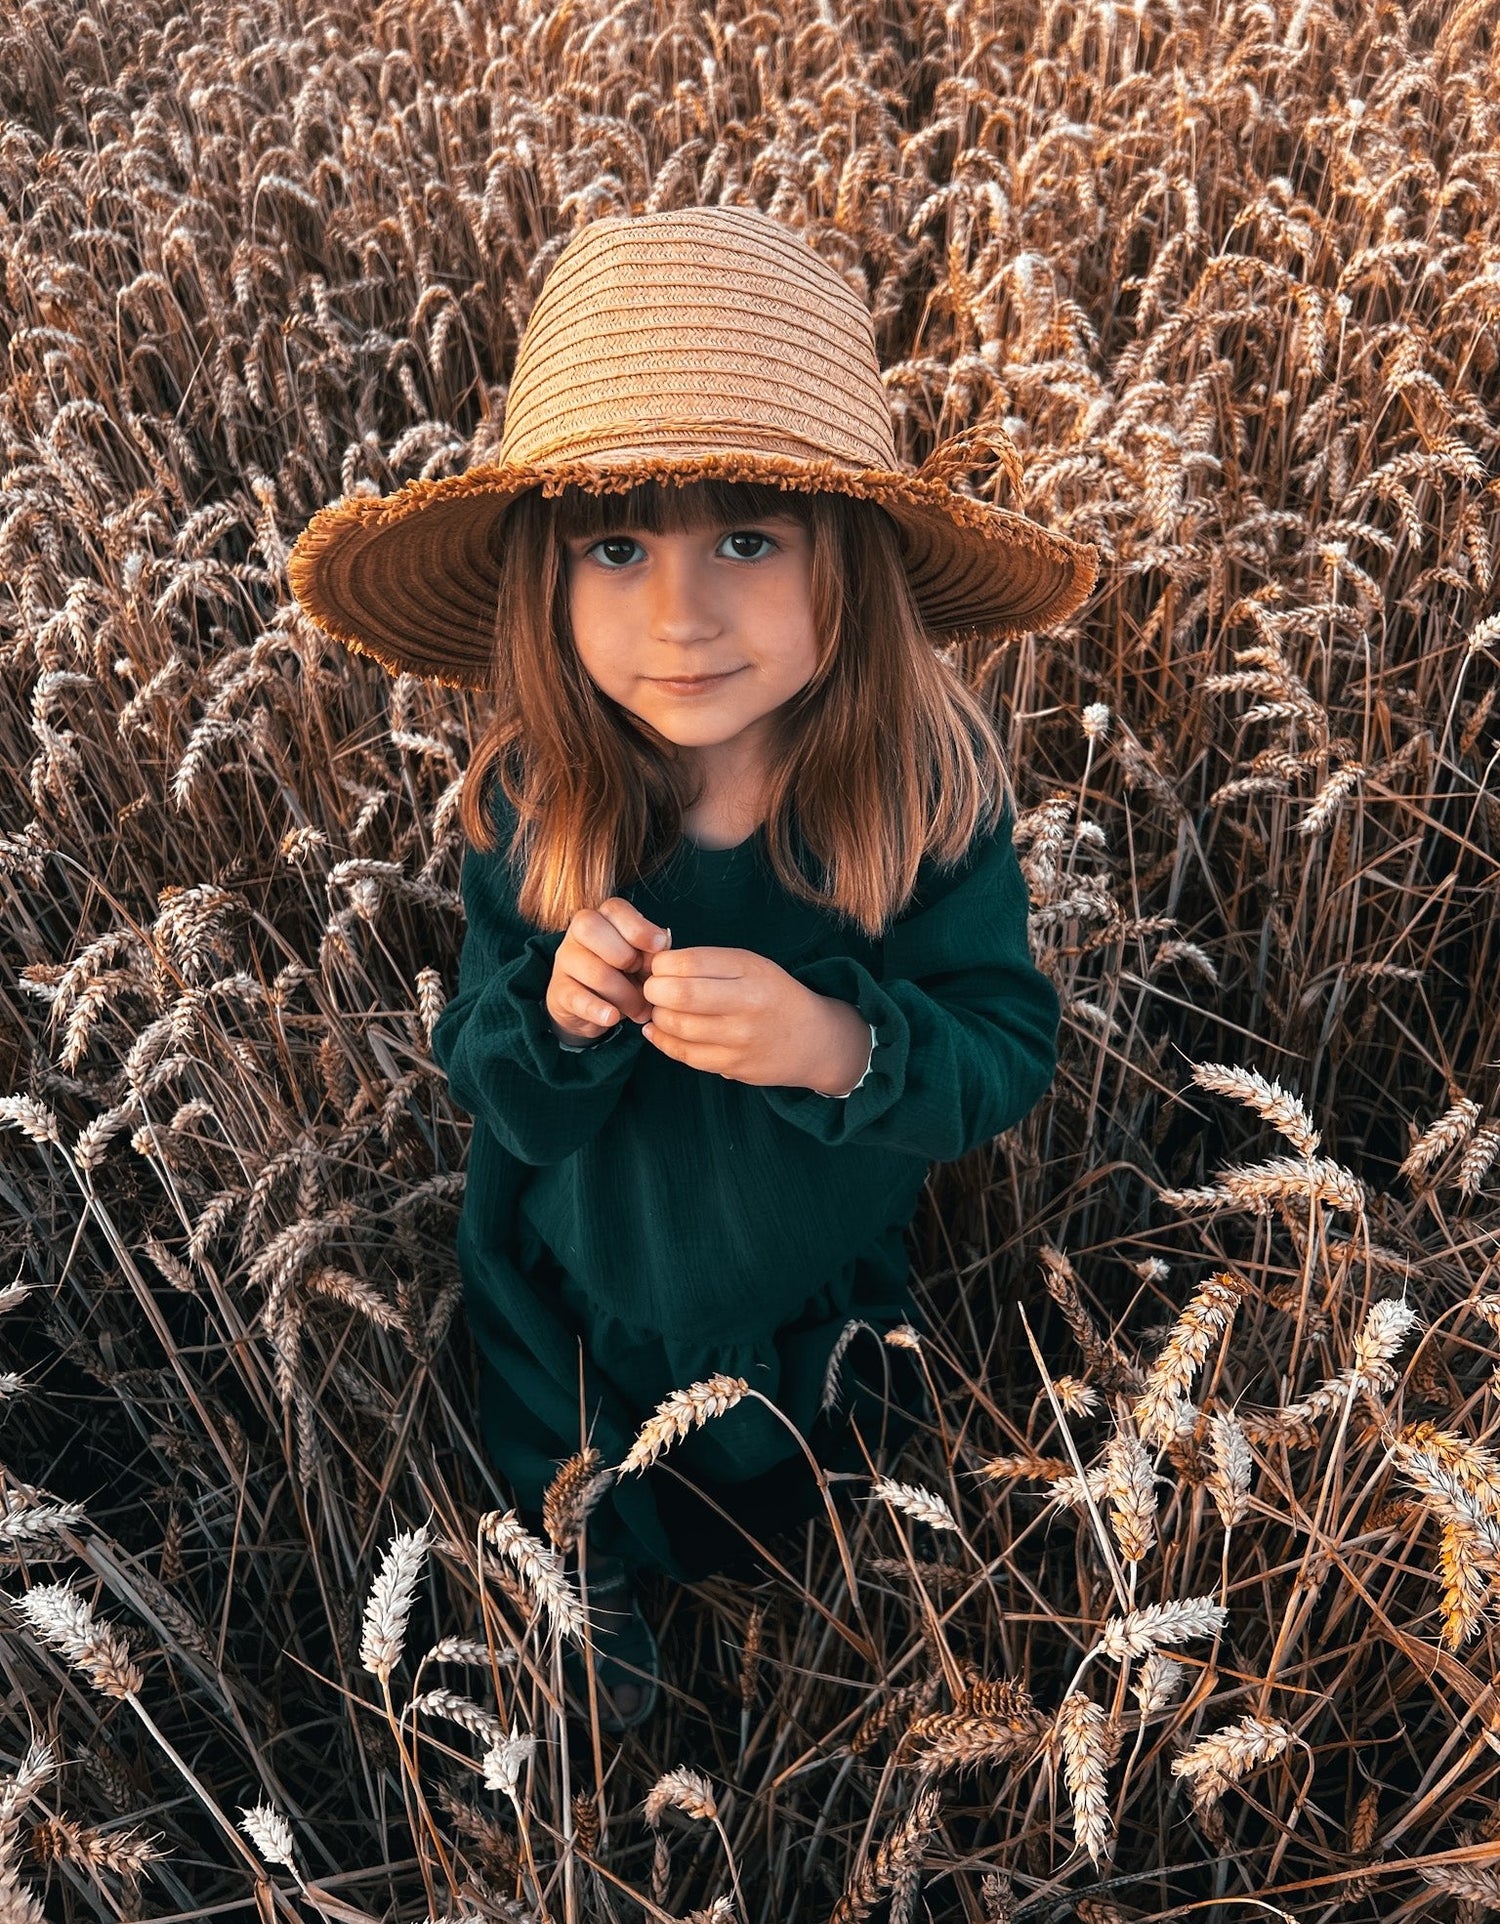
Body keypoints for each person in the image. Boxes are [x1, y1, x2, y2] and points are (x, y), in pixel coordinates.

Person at [288, 204, 1097, 1730]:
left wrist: (833, 1045)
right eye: (615, 544)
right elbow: (487, 1070)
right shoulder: (543, 804)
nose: (680, 613)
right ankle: (594, 1709)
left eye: (747, 537)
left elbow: (1005, 1047)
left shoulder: (919, 806)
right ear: (545, 576)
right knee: (576, 1538)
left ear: (847, 561)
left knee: (827, 1544)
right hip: (575, 1295)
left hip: (815, 1294)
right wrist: (560, 1014)